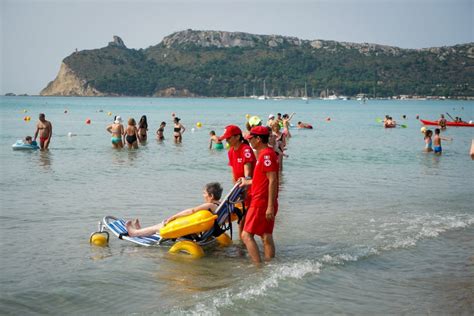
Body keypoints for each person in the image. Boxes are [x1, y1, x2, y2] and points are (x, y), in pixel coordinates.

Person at [240, 126, 279, 264]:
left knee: (246, 235)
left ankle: (258, 267)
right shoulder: (264, 153)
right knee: (266, 236)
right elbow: (263, 179)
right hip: (265, 201)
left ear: (258, 139)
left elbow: (273, 180)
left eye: (251, 138)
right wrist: (248, 182)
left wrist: (269, 206)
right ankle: (269, 265)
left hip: (261, 202)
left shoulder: (266, 155)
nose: (249, 141)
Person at [125, 182, 223, 237]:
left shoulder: (209, 205)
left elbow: (191, 211)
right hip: (199, 227)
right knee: (161, 224)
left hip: (188, 227)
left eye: (204, 193)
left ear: (211, 196)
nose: (203, 195)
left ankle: (135, 233)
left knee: (161, 225)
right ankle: (141, 231)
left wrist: (173, 217)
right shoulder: (220, 205)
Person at [218, 125, 256, 238]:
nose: (226, 140)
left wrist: (245, 188)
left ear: (238, 137)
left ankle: (245, 242)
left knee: (246, 218)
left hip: (250, 188)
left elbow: (247, 173)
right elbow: (233, 172)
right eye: (225, 138)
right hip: (239, 187)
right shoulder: (230, 151)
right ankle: (242, 242)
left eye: (229, 138)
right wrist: (235, 190)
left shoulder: (245, 149)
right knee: (240, 218)